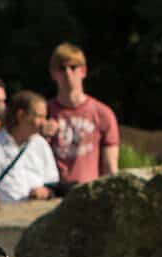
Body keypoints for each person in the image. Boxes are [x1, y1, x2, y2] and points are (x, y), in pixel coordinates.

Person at [43, 42, 119, 188]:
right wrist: (41, 137)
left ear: (83, 71)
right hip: (53, 194)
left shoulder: (103, 114)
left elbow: (111, 168)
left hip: (89, 194)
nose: (67, 73)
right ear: (53, 74)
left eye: (73, 67)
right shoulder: (43, 113)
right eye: (61, 68)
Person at [0, 91, 59, 208]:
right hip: (4, 218)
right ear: (21, 115)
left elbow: (52, 181)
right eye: (39, 116)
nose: (44, 122)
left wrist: (45, 192)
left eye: (45, 117)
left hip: (37, 216)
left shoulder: (41, 144)